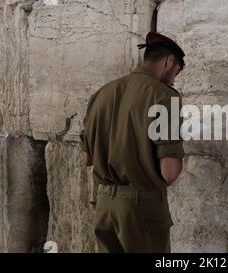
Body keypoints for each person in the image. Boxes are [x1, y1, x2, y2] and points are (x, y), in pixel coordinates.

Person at [79, 32, 186, 252]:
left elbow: (86, 158)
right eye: (175, 73)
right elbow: (169, 172)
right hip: (140, 209)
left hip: (105, 206)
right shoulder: (165, 96)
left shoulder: (101, 94)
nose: (174, 80)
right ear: (168, 62)